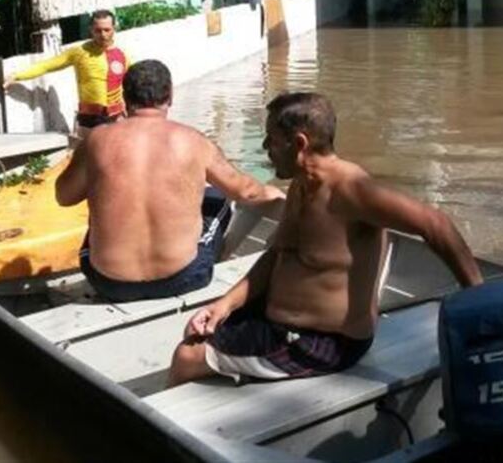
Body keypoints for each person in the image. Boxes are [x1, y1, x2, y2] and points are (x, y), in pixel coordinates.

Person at [167, 92, 483, 386]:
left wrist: (479, 300)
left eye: (272, 140)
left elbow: (436, 225)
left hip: (322, 343)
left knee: (186, 356)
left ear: (299, 143)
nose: (265, 147)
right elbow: (277, 255)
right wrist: (225, 304)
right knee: (197, 329)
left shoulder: (352, 190)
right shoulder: (301, 186)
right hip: (278, 323)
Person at [54, 59, 285, 302]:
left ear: (124, 98)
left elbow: (64, 197)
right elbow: (245, 192)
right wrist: (271, 191)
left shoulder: (96, 140)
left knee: (102, 207)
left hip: (108, 283)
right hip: (183, 278)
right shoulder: (194, 141)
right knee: (219, 197)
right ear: (170, 96)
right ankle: (200, 257)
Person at [6, 10, 130, 136]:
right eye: (98, 30)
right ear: (91, 30)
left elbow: (132, 83)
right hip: (89, 119)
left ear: (114, 28)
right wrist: (16, 76)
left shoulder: (122, 55)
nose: (103, 34)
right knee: (88, 154)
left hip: (116, 117)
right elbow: (46, 66)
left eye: (107, 30)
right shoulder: (79, 52)